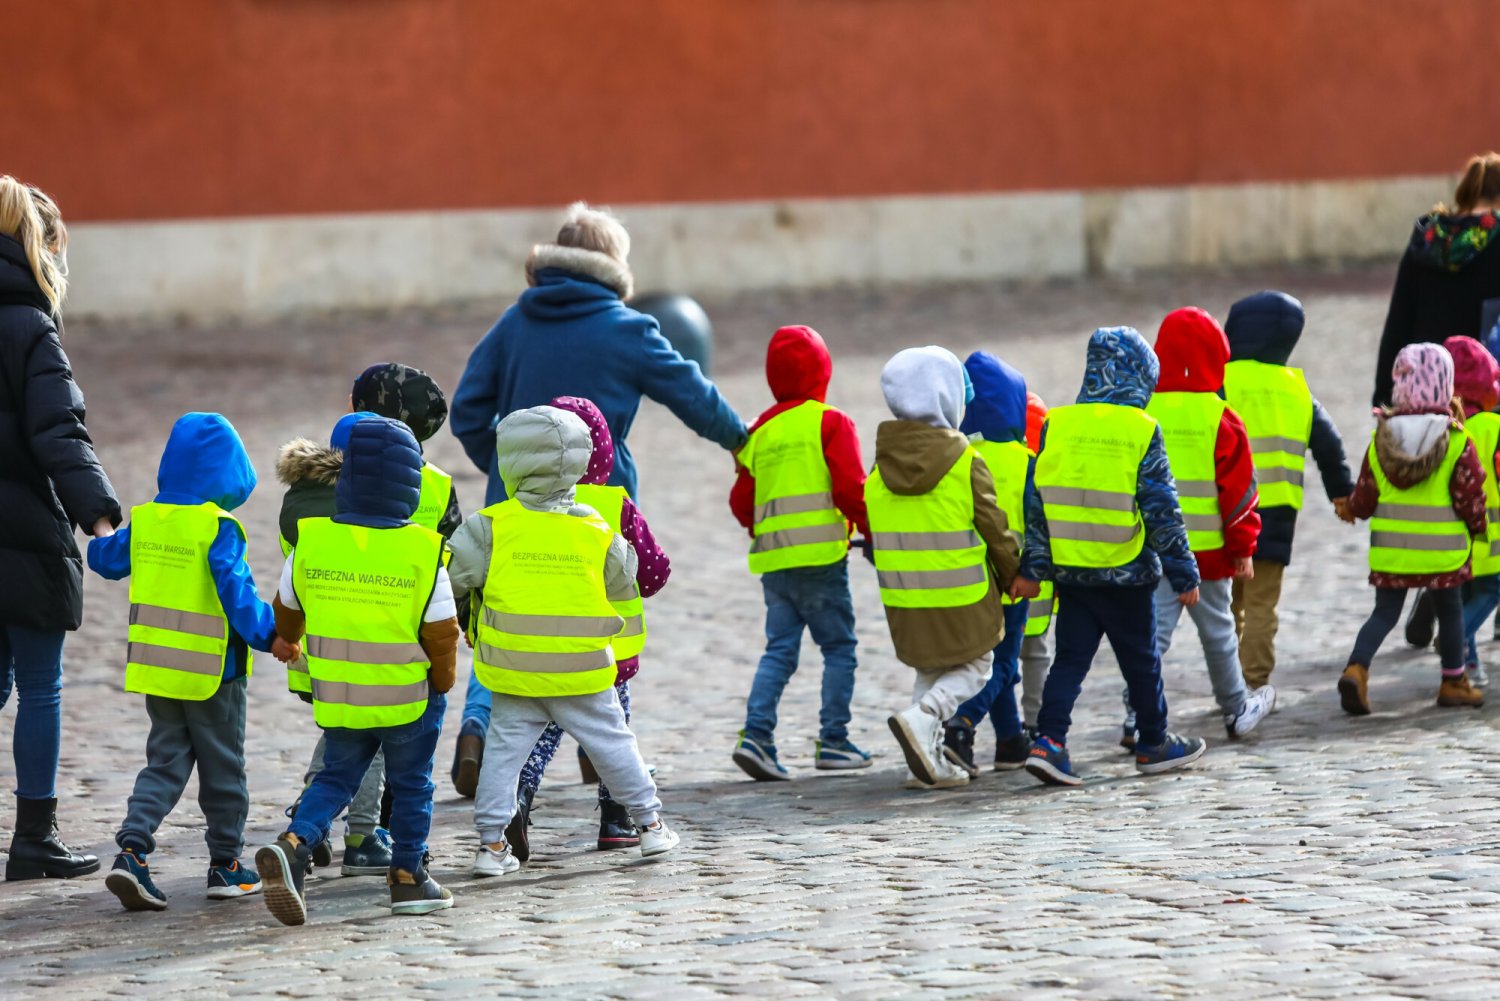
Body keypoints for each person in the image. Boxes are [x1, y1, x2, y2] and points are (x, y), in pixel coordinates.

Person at [448, 202, 746, 786]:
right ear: (613, 267)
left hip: (511, 506)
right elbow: (694, 394)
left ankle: (479, 729)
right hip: (601, 505)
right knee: (595, 617)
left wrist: (506, 466)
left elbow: (467, 409)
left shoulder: (515, 324)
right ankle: (599, 742)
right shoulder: (627, 329)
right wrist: (741, 440)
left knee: (506, 612)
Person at [449, 406, 679, 875]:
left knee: (503, 757)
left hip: (515, 671)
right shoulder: (593, 527)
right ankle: (651, 826)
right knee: (616, 746)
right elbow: (624, 581)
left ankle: (491, 846)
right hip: (584, 670)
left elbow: (453, 575)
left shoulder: (490, 525)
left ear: (508, 462)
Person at [87, 412, 296, 910]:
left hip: (159, 672)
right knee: (224, 772)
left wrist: (99, 527)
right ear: (228, 474)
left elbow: (106, 560)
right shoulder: (218, 528)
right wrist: (275, 637)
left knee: (163, 764)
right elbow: (237, 597)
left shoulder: (150, 521)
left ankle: (132, 851)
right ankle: (225, 864)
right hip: (213, 675)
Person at [257, 417, 460, 923]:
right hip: (407, 695)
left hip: (342, 693)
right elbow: (442, 633)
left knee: (336, 776)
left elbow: (287, 611)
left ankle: (296, 841)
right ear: (410, 483)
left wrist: (297, 637)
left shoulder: (314, 539)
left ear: (344, 479)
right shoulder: (422, 549)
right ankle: (409, 877)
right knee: (412, 785)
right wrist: (442, 682)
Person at [1013, 327, 1206, 788]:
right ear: (1140, 379)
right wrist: (1183, 572)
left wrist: (1034, 568)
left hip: (1072, 572)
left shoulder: (1056, 423)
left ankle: (1048, 743)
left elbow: (1034, 505)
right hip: (1127, 573)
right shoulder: (1141, 430)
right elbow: (1162, 510)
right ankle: (1154, 741)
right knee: (1141, 662)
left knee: (1070, 661)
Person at [0, 176, 120, 881]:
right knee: (40, 684)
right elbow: (59, 432)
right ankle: (34, 834)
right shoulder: (28, 325)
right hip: (24, 534)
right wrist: (100, 517)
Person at [867, 347, 1019, 789]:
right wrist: (1012, 575)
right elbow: (995, 528)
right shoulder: (965, 460)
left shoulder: (879, 467)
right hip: (963, 598)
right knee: (978, 667)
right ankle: (925, 716)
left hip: (904, 599)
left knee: (930, 671)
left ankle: (929, 761)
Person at [729, 325, 870, 781]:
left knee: (779, 651)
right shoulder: (830, 422)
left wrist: (762, 527)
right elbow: (851, 489)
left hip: (774, 563)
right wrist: (874, 532)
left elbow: (741, 502)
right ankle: (834, 740)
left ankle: (756, 735)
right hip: (822, 562)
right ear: (822, 372)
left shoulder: (758, 432)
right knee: (839, 648)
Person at [1139, 308, 1275, 744]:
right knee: (1218, 632)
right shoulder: (1222, 417)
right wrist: (1243, 548)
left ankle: (1134, 713)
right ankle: (1236, 708)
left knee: (1152, 636)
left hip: (1156, 549)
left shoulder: (1145, 411)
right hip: (1211, 554)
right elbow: (1238, 494)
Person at [1340, 344, 1486, 714]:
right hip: (1443, 552)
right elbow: (1469, 494)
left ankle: (1357, 669)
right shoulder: (1455, 440)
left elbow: (1365, 495)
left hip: (1393, 550)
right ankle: (1453, 681)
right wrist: (1478, 526)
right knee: (1450, 611)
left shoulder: (1382, 439)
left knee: (1384, 614)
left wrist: (1352, 509)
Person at [1223, 291, 1353, 691]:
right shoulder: (1295, 389)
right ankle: (1253, 682)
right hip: (1276, 513)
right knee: (1263, 603)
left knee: (1229, 604)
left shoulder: (1219, 382)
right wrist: (1342, 493)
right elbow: (1328, 445)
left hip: (1223, 511)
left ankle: (1226, 680)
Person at [940, 351, 1036, 775]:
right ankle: (961, 724)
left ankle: (1011, 742)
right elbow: (1039, 520)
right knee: (1003, 663)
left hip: (968, 577)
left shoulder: (957, 456)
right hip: (1012, 577)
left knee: (992, 659)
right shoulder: (1026, 460)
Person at [1374, 152, 1500, 407]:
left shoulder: (1427, 238)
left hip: (1426, 386)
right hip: (1484, 391)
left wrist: (1384, 394)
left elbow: (1399, 320)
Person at [1446, 336, 1500, 689]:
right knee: (1492, 591)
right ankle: (1456, 638)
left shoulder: (1445, 428)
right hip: (1490, 537)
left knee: (1465, 594)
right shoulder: (1493, 427)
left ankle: (1468, 662)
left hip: (1451, 535)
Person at [1017, 390, 1053, 736]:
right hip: (1039, 586)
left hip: (1000, 585)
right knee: (1036, 654)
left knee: (997, 662)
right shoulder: (1044, 471)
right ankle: (1035, 723)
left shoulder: (995, 462)